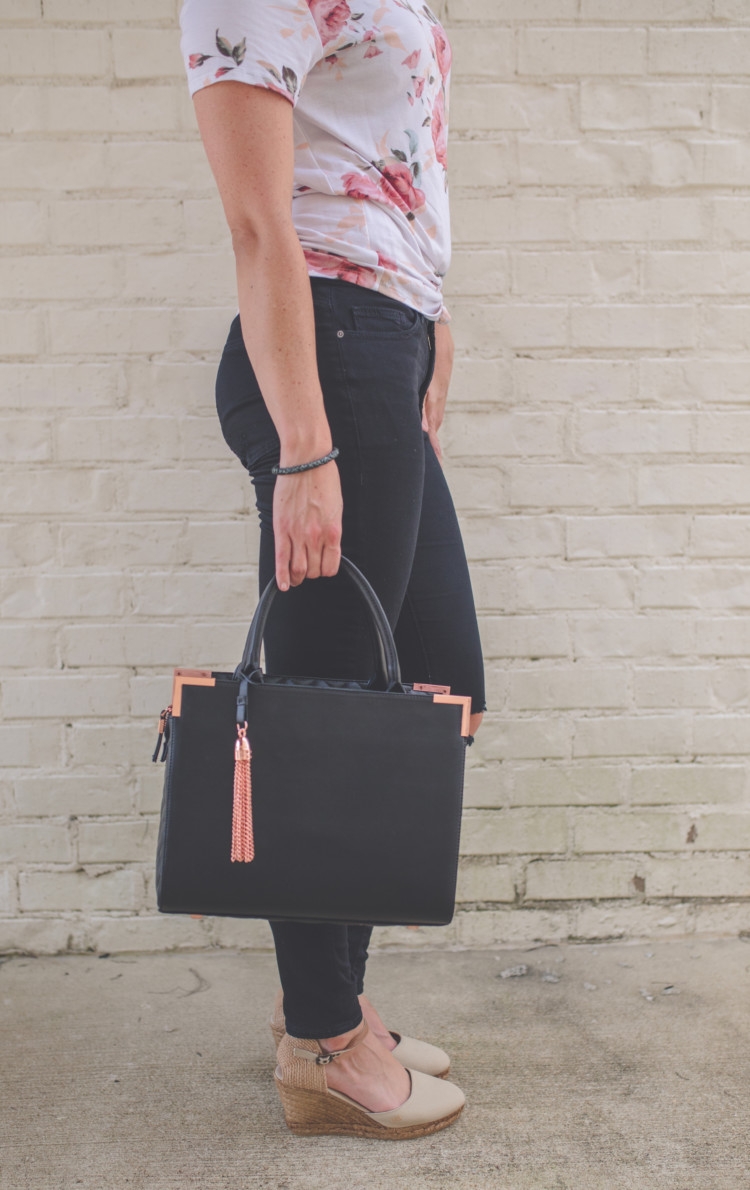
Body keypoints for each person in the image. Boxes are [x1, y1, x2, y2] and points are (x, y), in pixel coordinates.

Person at [179, 0, 486, 1139]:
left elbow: (385, 156)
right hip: (326, 349)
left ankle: (326, 998)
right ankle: (324, 1036)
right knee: (326, 721)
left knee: (435, 684)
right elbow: (262, 224)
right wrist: (308, 445)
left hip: (381, 339)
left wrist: (433, 319)